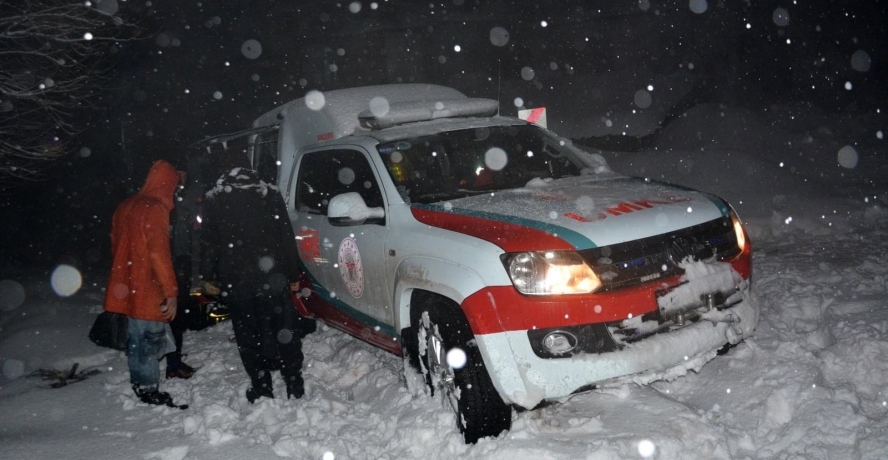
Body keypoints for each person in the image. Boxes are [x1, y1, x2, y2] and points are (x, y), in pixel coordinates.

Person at [200, 154, 314, 403]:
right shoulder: (269, 195)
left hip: (237, 281)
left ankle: (262, 387)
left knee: (248, 335)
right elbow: (285, 237)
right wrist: (292, 275)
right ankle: (294, 384)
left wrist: (207, 276)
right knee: (285, 331)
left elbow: (208, 243)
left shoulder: (214, 199)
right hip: (273, 278)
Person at [103, 159, 188, 409]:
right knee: (149, 340)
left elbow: (114, 245)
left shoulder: (125, 205)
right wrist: (171, 292)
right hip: (148, 287)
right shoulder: (154, 209)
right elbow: (159, 254)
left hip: (126, 285)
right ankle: (149, 389)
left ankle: (139, 383)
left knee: (136, 338)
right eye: (173, 186)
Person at [165, 170, 197, 380]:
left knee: (178, 313)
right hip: (172, 262)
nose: (184, 178)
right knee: (172, 314)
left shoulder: (179, 201)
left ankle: (174, 356)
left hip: (181, 259)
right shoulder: (165, 203)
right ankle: (173, 362)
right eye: (180, 175)